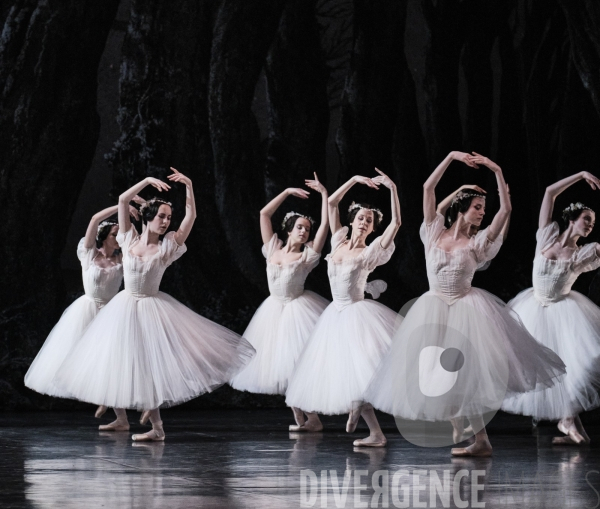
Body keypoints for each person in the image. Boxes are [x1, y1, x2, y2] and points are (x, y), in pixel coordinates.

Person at [365, 151, 565, 457]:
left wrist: (496, 169)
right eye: (477, 207)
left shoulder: (478, 243)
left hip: (466, 308)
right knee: (432, 372)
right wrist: (451, 157)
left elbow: (506, 209)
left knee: (467, 372)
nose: (482, 213)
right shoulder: (433, 232)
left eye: (484, 208)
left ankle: (480, 438)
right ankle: (468, 429)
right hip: (432, 307)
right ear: (462, 209)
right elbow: (428, 189)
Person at [54, 169, 255, 441]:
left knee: (148, 366)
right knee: (120, 362)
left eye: (168, 218)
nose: (165, 221)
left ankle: (157, 429)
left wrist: (190, 186)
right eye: (161, 216)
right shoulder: (128, 239)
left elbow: (191, 217)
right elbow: (124, 201)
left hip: (151, 308)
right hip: (124, 308)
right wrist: (147, 181)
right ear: (148, 217)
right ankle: (130, 419)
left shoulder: (167, 246)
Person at [286, 169, 402, 447]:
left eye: (369, 221)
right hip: (334, 316)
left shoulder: (370, 251)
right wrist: (354, 181)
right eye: (361, 218)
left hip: (357, 314)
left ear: (373, 228)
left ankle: (366, 418)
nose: (364, 222)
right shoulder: (338, 241)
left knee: (360, 370)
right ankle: (374, 431)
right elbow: (331, 204)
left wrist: (393, 189)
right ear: (353, 220)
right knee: (345, 371)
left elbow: (396, 222)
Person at [502, 171, 600, 445]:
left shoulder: (585, 252)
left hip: (563, 311)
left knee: (578, 363)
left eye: (593, 223)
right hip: (532, 307)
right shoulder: (546, 237)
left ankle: (568, 419)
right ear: (572, 219)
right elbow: (549, 193)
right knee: (534, 366)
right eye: (587, 220)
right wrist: (580, 175)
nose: (590, 226)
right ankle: (569, 421)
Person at [230, 174, 330, 430]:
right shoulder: (272, 249)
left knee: (296, 366)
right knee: (280, 367)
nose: (305, 231)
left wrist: (324, 195)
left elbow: (324, 228)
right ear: (289, 229)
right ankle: (303, 414)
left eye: (307, 229)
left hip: (298, 309)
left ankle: (312, 417)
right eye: (300, 227)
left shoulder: (307, 256)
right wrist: (285, 191)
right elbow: (264, 214)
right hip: (273, 310)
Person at [24, 200, 140, 400]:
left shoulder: (121, 259)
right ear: (103, 237)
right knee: (77, 355)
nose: (117, 238)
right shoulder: (88, 254)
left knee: (111, 361)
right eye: (114, 235)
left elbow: (134, 240)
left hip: (111, 313)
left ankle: (118, 413)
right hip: (88, 308)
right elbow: (95, 218)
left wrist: (131, 218)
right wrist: (122, 206)